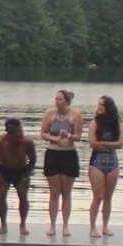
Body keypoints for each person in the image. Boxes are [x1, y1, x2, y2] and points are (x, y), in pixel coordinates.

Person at [40, 89, 82, 237]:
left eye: (60, 99)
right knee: (54, 192)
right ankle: (52, 225)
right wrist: (55, 139)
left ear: (66, 101)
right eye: (56, 99)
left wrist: (68, 135)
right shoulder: (49, 114)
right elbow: (43, 133)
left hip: (68, 154)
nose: (57, 102)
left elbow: (78, 136)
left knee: (66, 192)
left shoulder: (75, 114)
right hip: (52, 153)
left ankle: (65, 225)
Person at [0, 118, 35, 235]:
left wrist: (26, 175)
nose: (20, 134)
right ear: (9, 133)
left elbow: (33, 160)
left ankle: (23, 224)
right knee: (1, 196)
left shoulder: (27, 142)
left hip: (21, 171)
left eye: (21, 131)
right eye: (17, 132)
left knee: (23, 196)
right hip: (4, 171)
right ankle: (3, 224)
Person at [85, 95, 121, 239]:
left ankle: (105, 226)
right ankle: (93, 227)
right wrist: (109, 145)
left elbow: (121, 143)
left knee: (108, 197)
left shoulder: (116, 122)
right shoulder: (95, 122)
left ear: (108, 107)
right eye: (98, 104)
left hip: (113, 161)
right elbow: (93, 143)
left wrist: (105, 144)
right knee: (98, 196)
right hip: (97, 161)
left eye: (102, 105)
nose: (99, 107)